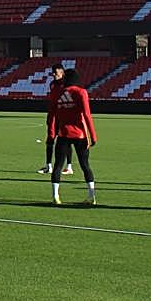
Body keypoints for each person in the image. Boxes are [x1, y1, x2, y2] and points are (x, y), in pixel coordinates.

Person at [50, 68, 98, 206]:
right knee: (85, 166)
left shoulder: (57, 93)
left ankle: (55, 196)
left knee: (58, 165)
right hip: (80, 134)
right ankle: (91, 196)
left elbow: (52, 115)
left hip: (63, 134)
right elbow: (87, 115)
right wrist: (93, 136)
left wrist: (52, 133)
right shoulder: (81, 92)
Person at [38, 63, 73, 175]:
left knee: (66, 141)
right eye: (53, 72)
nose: (54, 74)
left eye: (56, 72)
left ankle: (69, 166)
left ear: (62, 72)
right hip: (53, 116)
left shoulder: (67, 84)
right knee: (50, 139)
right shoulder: (52, 84)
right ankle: (48, 166)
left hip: (64, 116)